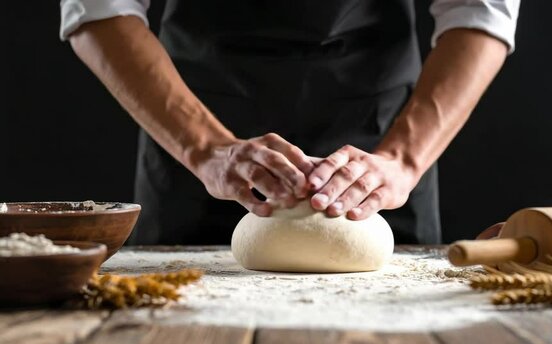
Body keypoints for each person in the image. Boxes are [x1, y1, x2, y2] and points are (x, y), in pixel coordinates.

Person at [60, 0, 520, 245]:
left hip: (378, 138)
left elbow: (479, 10)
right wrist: (205, 148)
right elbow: (100, 7)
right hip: (196, 134)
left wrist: (402, 159)